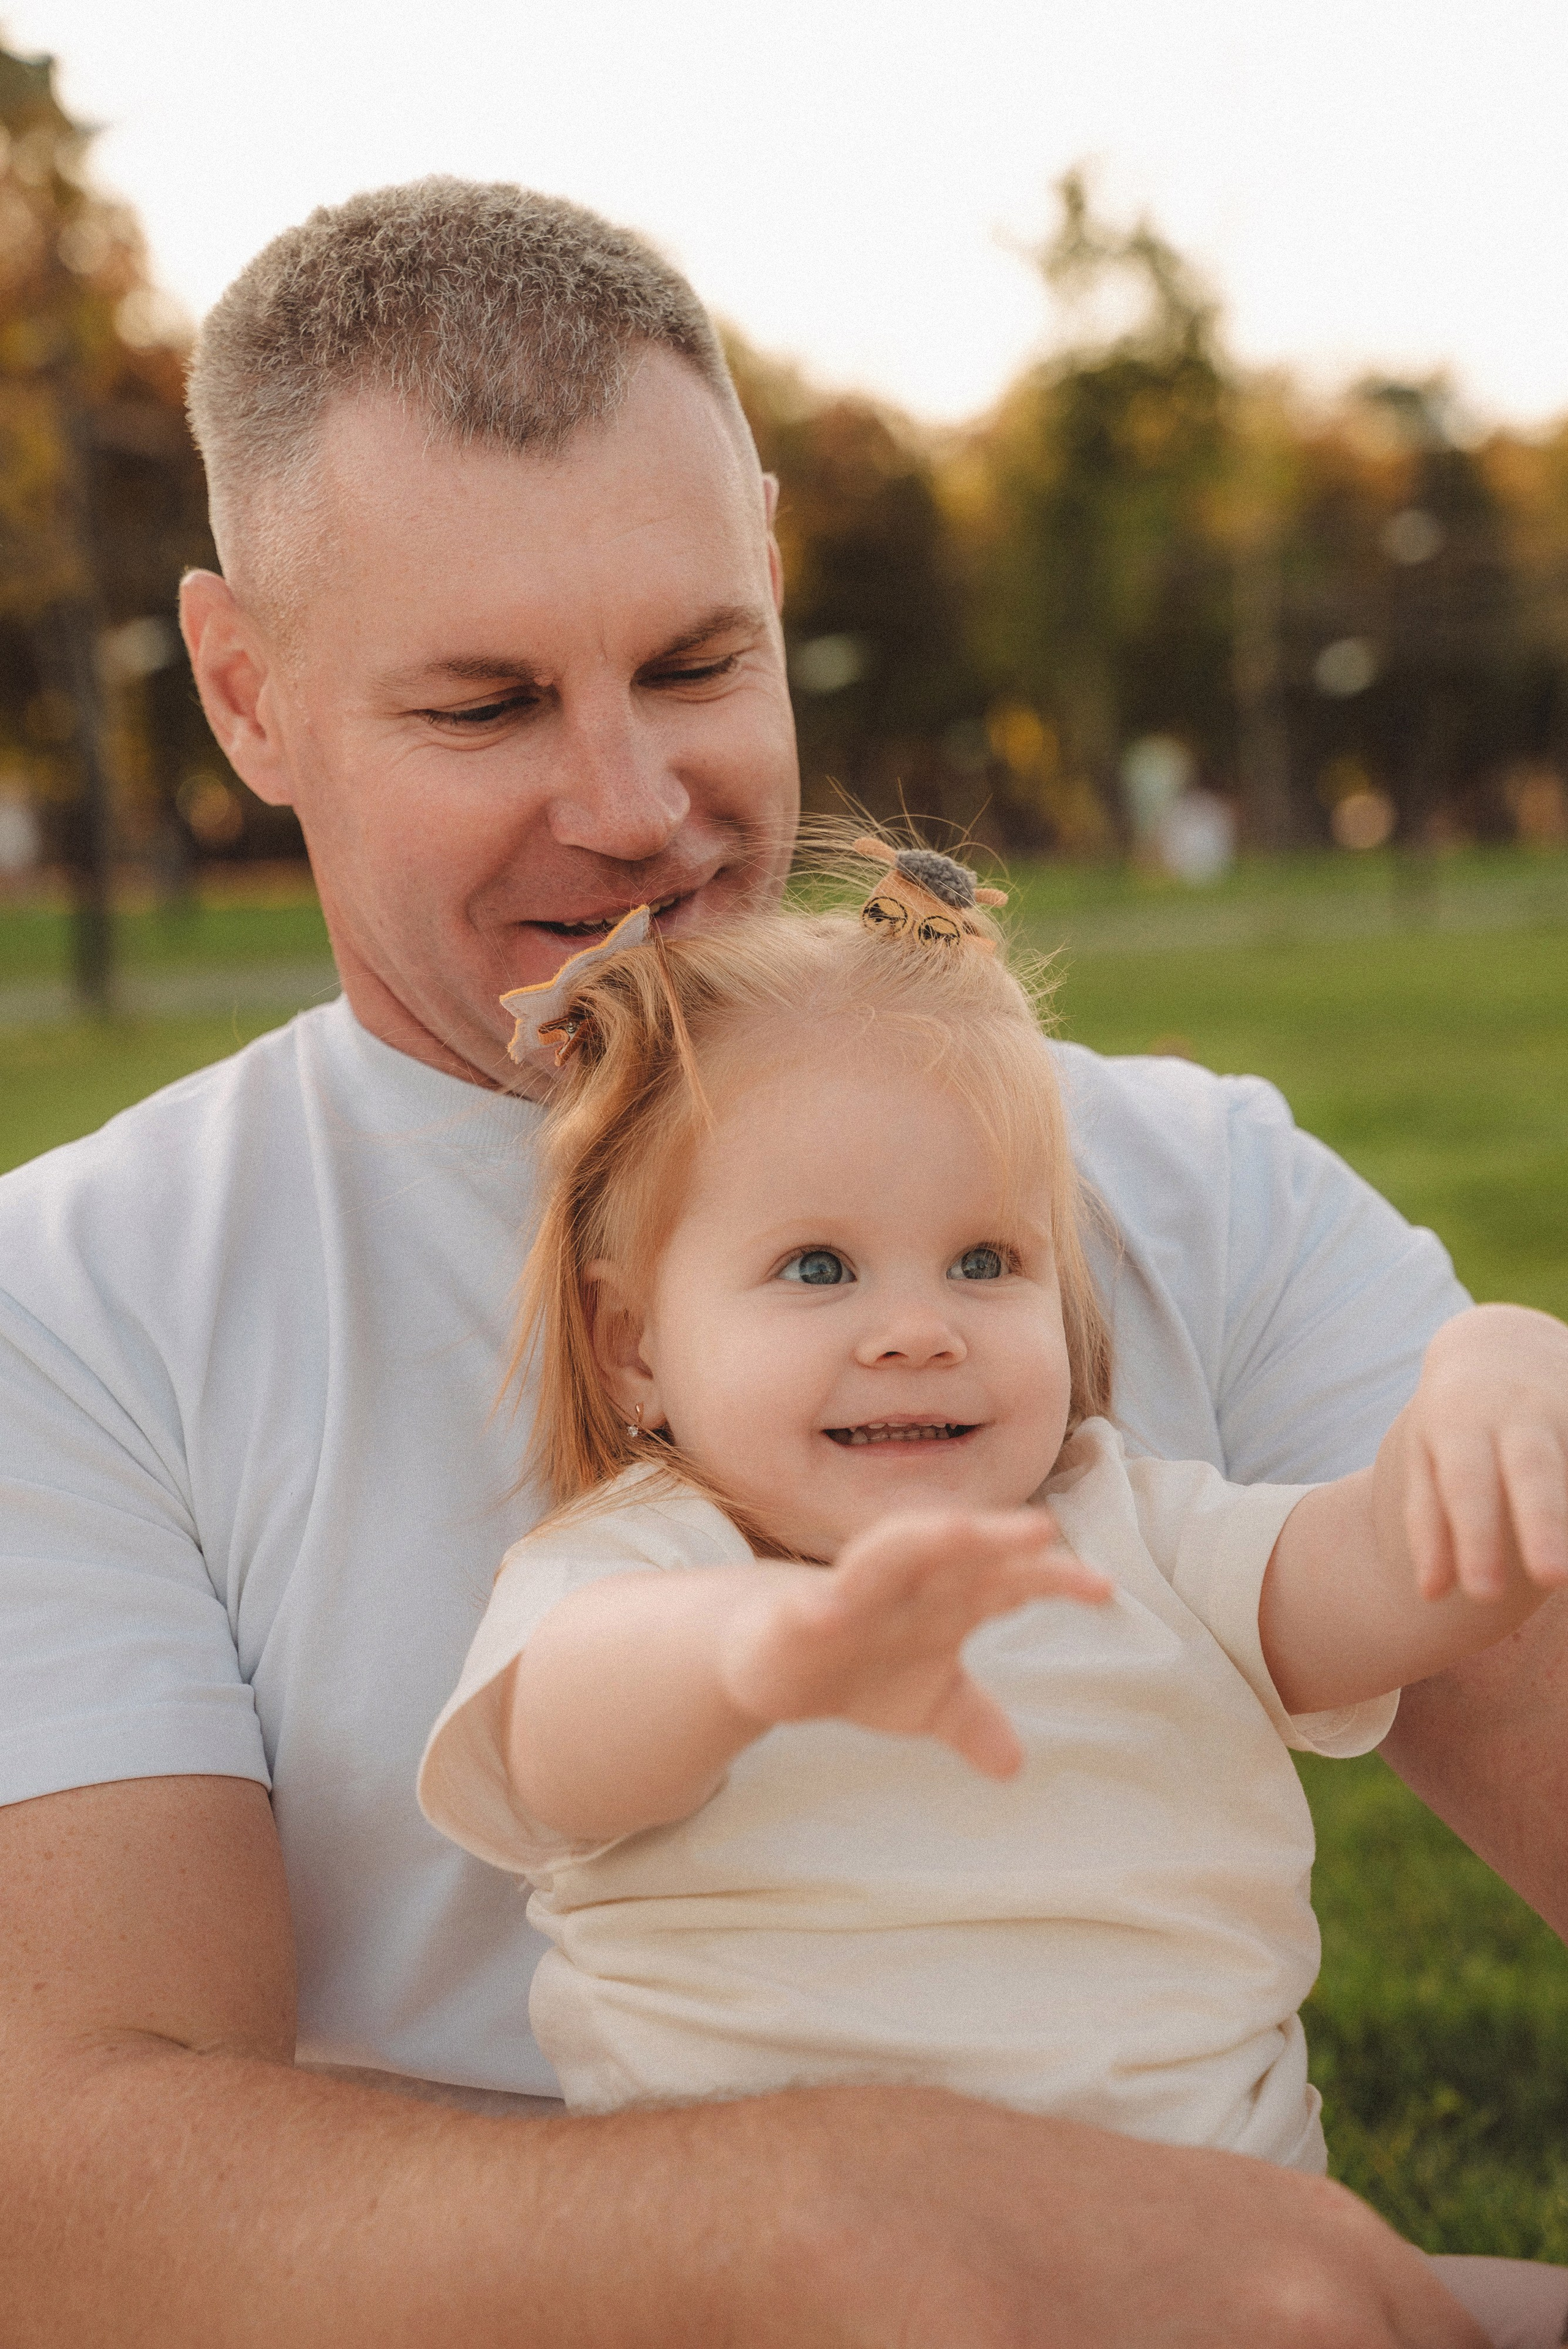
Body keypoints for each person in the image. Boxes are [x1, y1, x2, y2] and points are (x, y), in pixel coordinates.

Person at [0, 174, 1561, 2347]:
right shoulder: (74, 1304)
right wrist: (837, 2212)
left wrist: (1511, 1389)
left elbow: (1428, 1592)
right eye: (486, 707)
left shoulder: (1179, 1181)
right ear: (250, 693)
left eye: (697, 660)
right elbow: (66, 2193)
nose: (637, 804)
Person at [416, 872, 1562, 2181]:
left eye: (983, 1261)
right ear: (633, 1348)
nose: (918, 1328)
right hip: (810, 2280)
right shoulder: (646, 1567)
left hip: (1231, 2263)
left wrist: (1494, 1380)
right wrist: (762, 1653)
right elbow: (559, 1745)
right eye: (816, 1269)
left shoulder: (1137, 1529)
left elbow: (1390, 1581)